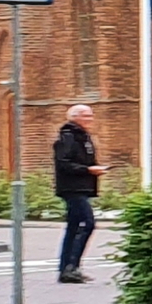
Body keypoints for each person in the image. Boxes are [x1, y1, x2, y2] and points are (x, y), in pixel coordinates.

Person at [53, 104, 108, 283]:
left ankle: (67, 268)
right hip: (73, 188)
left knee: (74, 227)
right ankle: (71, 266)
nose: (90, 119)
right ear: (74, 117)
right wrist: (88, 170)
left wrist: (93, 168)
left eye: (91, 115)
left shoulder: (83, 137)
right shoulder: (68, 137)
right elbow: (63, 163)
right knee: (88, 223)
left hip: (81, 187)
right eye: (85, 116)